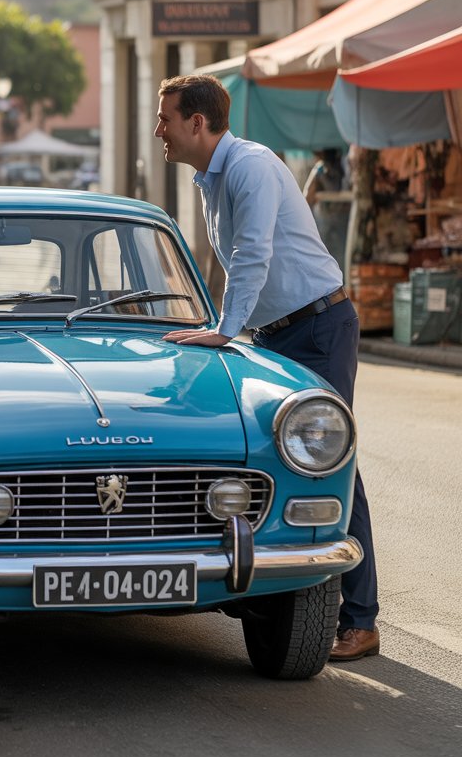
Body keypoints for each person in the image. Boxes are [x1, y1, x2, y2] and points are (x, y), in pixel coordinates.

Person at [153, 74, 379, 662]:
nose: (160, 131)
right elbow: (225, 261)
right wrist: (223, 323)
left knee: (325, 456)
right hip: (277, 333)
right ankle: (281, 595)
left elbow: (253, 254)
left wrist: (224, 331)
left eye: (166, 118)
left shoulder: (251, 166)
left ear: (197, 123)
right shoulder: (211, 176)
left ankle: (359, 620)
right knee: (271, 459)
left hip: (318, 325)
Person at [303, 148, 350, 278]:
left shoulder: (319, 169)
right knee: (342, 255)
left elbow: (307, 196)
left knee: (324, 254)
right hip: (343, 219)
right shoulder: (345, 168)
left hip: (325, 218)